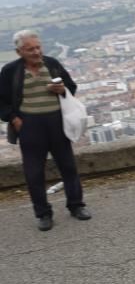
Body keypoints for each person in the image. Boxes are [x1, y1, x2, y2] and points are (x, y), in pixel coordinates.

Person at [0, 30, 90, 230]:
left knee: (68, 167)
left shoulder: (52, 64)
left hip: (57, 122)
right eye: (30, 49)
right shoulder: (10, 71)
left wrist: (62, 90)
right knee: (33, 173)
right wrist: (13, 119)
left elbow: (71, 87)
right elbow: (2, 101)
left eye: (38, 47)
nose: (36, 52)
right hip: (29, 125)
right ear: (19, 51)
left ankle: (76, 206)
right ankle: (43, 214)